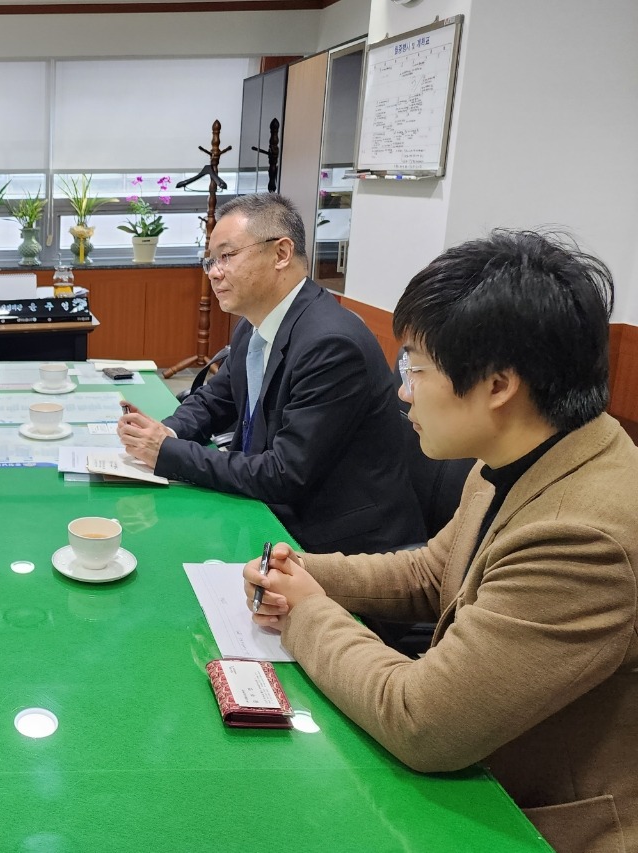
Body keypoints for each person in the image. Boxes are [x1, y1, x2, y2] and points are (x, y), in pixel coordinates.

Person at [244, 230, 637, 853]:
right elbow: (435, 572)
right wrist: (310, 571)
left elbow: (422, 720)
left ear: (498, 386)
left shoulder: (581, 538)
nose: (402, 390)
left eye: (416, 369)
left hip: (533, 820)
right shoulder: (523, 449)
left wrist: (307, 609)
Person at [119, 193, 422, 554]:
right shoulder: (254, 326)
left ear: (280, 253)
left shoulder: (331, 345)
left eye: (227, 256)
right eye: (211, 261)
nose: (215, 272)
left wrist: (168, 453)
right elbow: (216, 400)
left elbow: (284, 473)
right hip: (272, 518)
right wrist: (166, 431)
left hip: (337, 544)